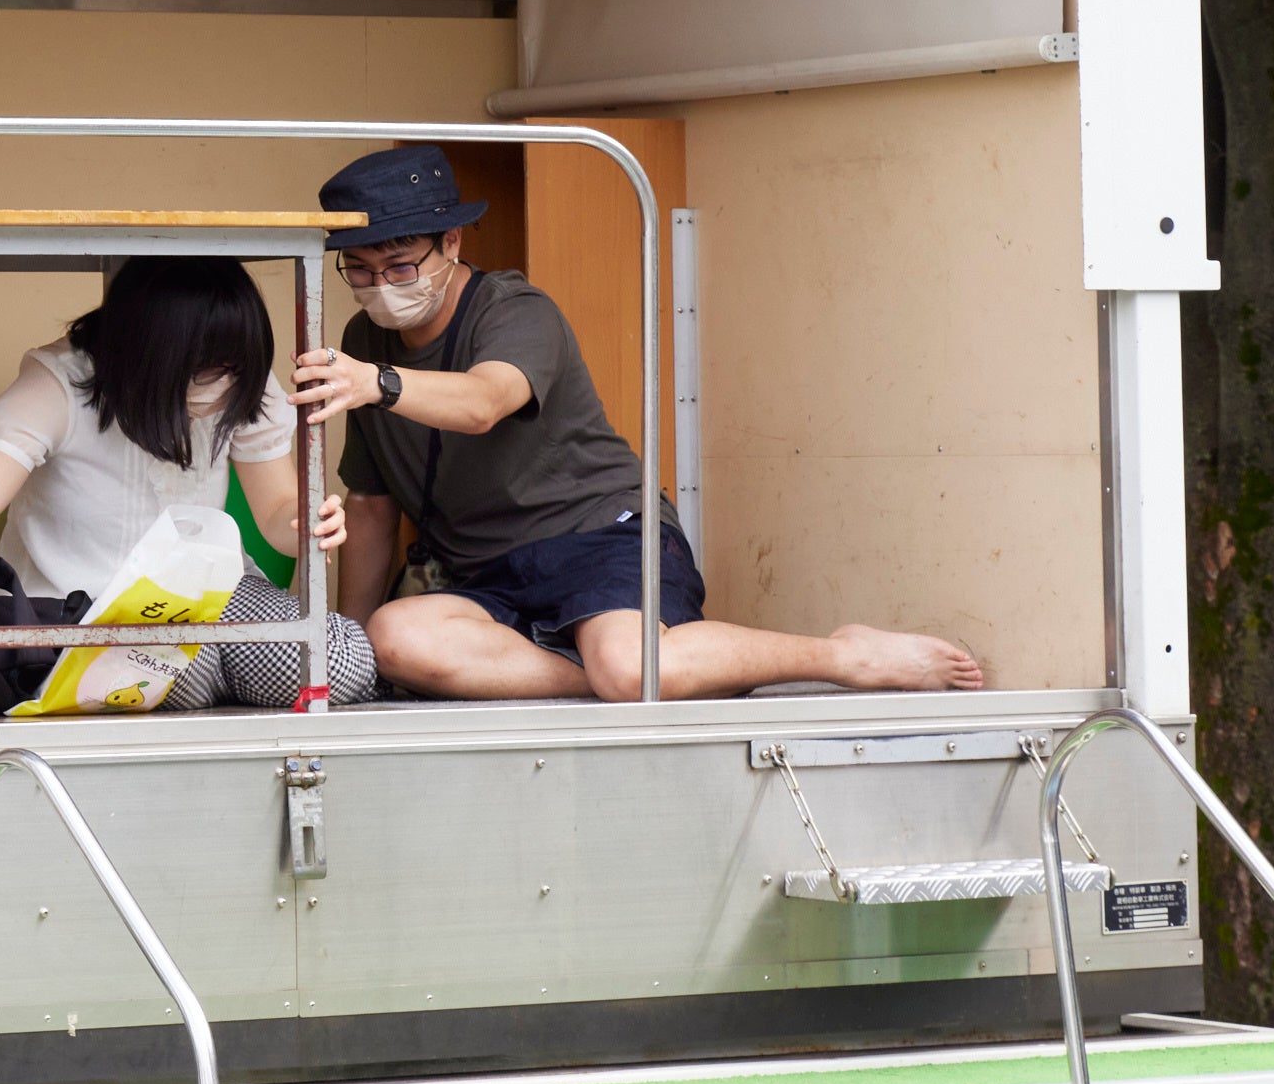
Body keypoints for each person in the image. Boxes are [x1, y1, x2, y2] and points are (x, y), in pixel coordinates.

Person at [290, 146, 983, 702]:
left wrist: (372, 383)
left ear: (451, 241)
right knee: (393, 639)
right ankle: (650, 676)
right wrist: (346, 650)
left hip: (600, 539)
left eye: (401, 264)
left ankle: (844, 656)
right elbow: (372, 509)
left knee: (626, 669)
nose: (382, 287)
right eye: (361, 270)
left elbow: (482, 401)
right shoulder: (363, 338)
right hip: (487, 577)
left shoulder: (511, 306)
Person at [0, 255, 380, 708]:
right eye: (202, 372)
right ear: (147, 353)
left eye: (232, 368)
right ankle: (230, 677)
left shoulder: (241, 379)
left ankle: (229, 675)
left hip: (212, 598)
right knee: (179, 667)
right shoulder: (59, 383)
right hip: (82, 613)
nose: (221, 386)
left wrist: (306, 524)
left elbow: (276, 511)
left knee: (344, 656)